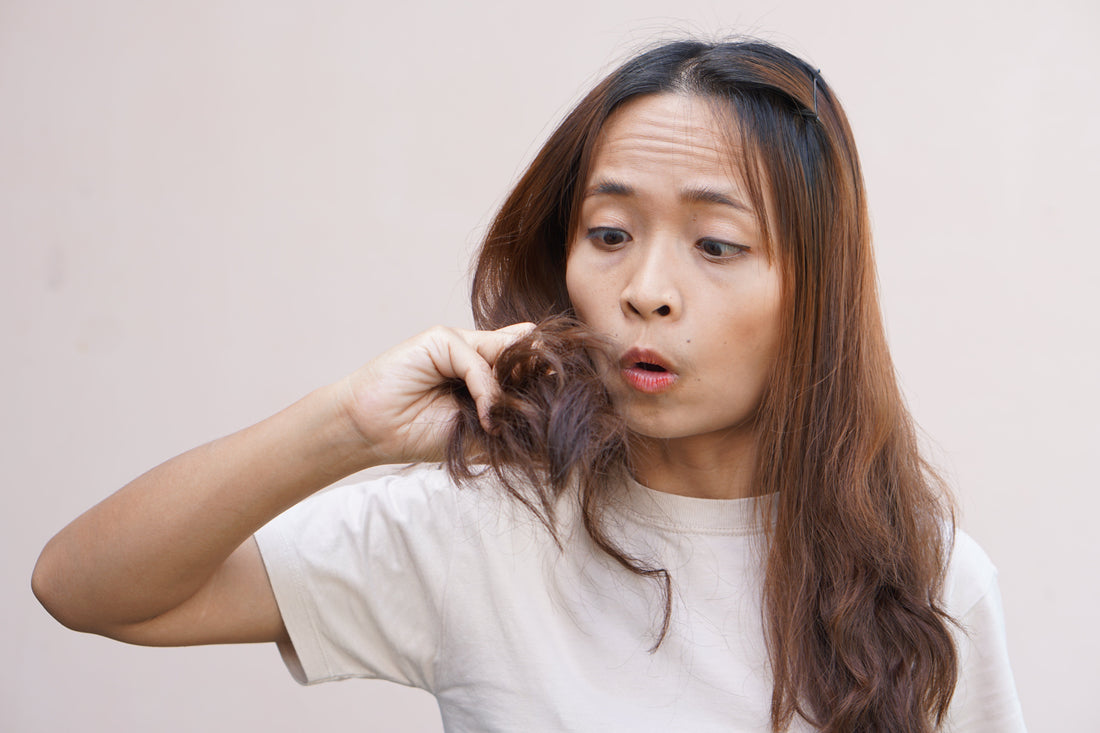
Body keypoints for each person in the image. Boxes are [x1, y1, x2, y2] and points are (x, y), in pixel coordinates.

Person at [32, 39, 1026, 732]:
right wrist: (347, 426)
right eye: (607, 235)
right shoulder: (485, 528)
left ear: (818, 291)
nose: (644, 290)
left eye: (716, 243)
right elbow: (86, 587)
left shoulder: (928, 580)